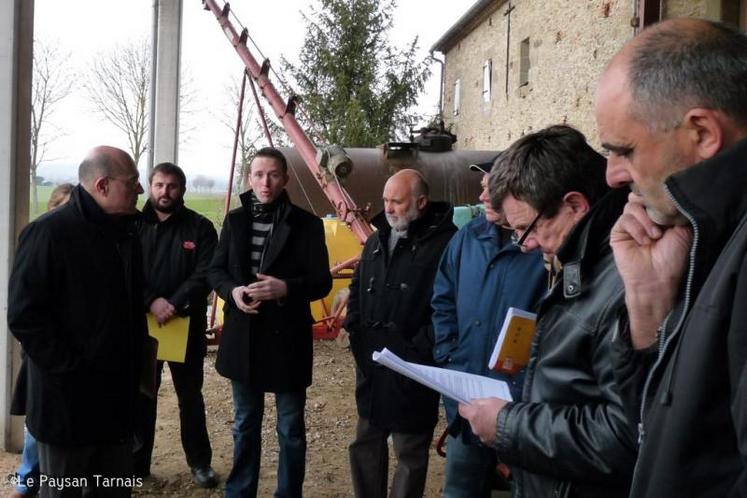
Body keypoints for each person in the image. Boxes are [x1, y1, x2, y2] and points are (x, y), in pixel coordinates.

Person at [594, 19, 747, 498]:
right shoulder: (706, 234)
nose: (613, 176)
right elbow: (665, 433)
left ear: (702, 133)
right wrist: (648, 303)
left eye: (624, 151)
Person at [459, 125, 637, 497]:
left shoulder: (626, 278)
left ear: (574, 205)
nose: (526, 245)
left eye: (527, 229)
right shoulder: (582, 261)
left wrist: (508, 425)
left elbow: (625, 436)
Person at [8, 146, 147, 498]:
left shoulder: (126, 233)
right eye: (132, 183)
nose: (140, 190)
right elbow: (25, 316)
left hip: (116, 407)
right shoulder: (48, 233)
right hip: (67, 407)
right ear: (102, 185)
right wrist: (73, 371)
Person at [208, 147, 332, 498]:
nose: (266, 182)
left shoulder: (307, 224)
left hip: (286, 338)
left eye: (273, 174)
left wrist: (285, 288)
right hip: (244, 334)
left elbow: (321, 281)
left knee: (290, 426)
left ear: (286, 179)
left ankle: (288, 493)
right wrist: (232, 292)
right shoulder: (234, 221)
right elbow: (215, 270)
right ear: (250, 178)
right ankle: (240, 491)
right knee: (245, 423)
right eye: (259, 174)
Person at [431, 158, 545, 498]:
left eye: (490, 187)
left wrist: (523, 386)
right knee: (460, 490)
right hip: (465, 399)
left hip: (522, 408)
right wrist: (450, 357)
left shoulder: (541, 245)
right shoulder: (467, 238)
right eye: (482, 187)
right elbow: (442, 301)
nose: (482, 196)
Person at [345, 169, 457, 498]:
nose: (389, 208)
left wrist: (418, 350)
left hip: (414, 367)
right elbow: (357, 286)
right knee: (365, 442)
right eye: (385, 200)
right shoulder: (378, 238)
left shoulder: (447, 244)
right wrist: (356, 330)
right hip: (372, 363)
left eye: (397, 201)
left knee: (409, 452)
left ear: (421, 202)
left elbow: (451, 307)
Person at [133, 163, 218, 487]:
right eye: (158, 185)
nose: (164, 192)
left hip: (186, 326)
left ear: (181, 189)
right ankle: (137, 465)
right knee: (142, 397)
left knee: (190, 397)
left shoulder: (200, 227)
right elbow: (124, 270)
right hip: (143, 328)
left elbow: (207, 272)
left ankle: (200, 463)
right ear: (150, 186)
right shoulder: (132, 226)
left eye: (171, 186)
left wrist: (175, 303)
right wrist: (151, 301)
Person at [9, 183, 75, 498]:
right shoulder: (39, 239)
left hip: (61, 353)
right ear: (51, 209)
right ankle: (25, 482)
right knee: (37, 422)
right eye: (61, 207)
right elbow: (25, 309)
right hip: (43, 353)